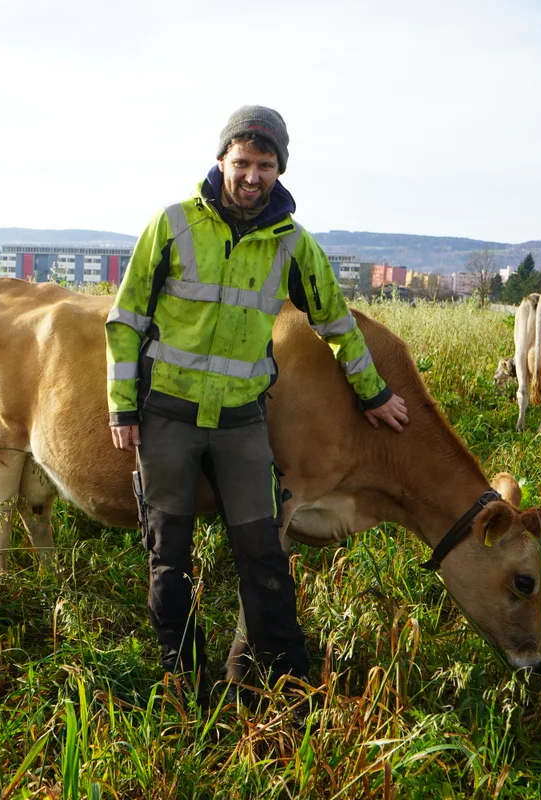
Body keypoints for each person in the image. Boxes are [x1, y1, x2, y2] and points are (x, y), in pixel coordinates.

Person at [104, 105, 408, 701]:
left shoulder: (293, 244)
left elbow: (337, 323)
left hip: (242, 423)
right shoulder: (172, 225)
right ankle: (181, 678)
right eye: (241, 162)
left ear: (279, 169)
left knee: (263, 553)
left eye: (264, 165)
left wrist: (374, 393)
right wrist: (123, 407)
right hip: (167, 416)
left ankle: (281, 680)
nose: (251, 175)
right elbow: (125, 319)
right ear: (221, 161)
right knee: (169, 558)